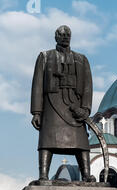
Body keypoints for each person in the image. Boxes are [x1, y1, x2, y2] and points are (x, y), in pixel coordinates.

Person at [30, 25, 96, 182]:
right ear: (56, 37)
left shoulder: (81, 59)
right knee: (47, 140)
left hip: (75, 106)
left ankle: (86, 174)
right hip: (52, 104)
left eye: (68, 34)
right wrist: (36, 112)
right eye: (61, 34)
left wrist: (86, 109)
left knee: (81, 142)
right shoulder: (45, 57)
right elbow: (37, 85)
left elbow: (88, 86)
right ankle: (43, 175)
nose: (65, 36)